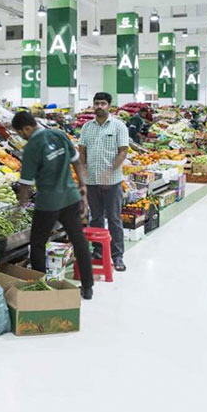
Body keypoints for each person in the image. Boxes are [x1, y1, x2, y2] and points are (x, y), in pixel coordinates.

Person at [12, 111, 94, 300]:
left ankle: (41, 288)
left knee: (38, 243)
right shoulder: (59, 135)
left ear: (27, 128)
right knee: (79, 240)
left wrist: (20, 205)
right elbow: (77, 163)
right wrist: (82, 187)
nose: (21, 137)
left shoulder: (32, 146)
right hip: (70, 197)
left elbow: (25, 184)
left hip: (48, 202)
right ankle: (88, 286)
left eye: (20, 133)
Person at [78, 92, 130, 272]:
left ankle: (117, 256)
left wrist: (111, 171)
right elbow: (82, 150)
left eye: (103, 103)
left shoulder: (118, 126)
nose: (99, 106)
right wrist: (83, 169)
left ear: (109, 106)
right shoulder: (86, 127)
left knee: (114, 218)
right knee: (96, 217)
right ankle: (98, 251)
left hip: (112, 181)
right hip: (92, 181)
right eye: (96, 103)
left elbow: (123, 151)